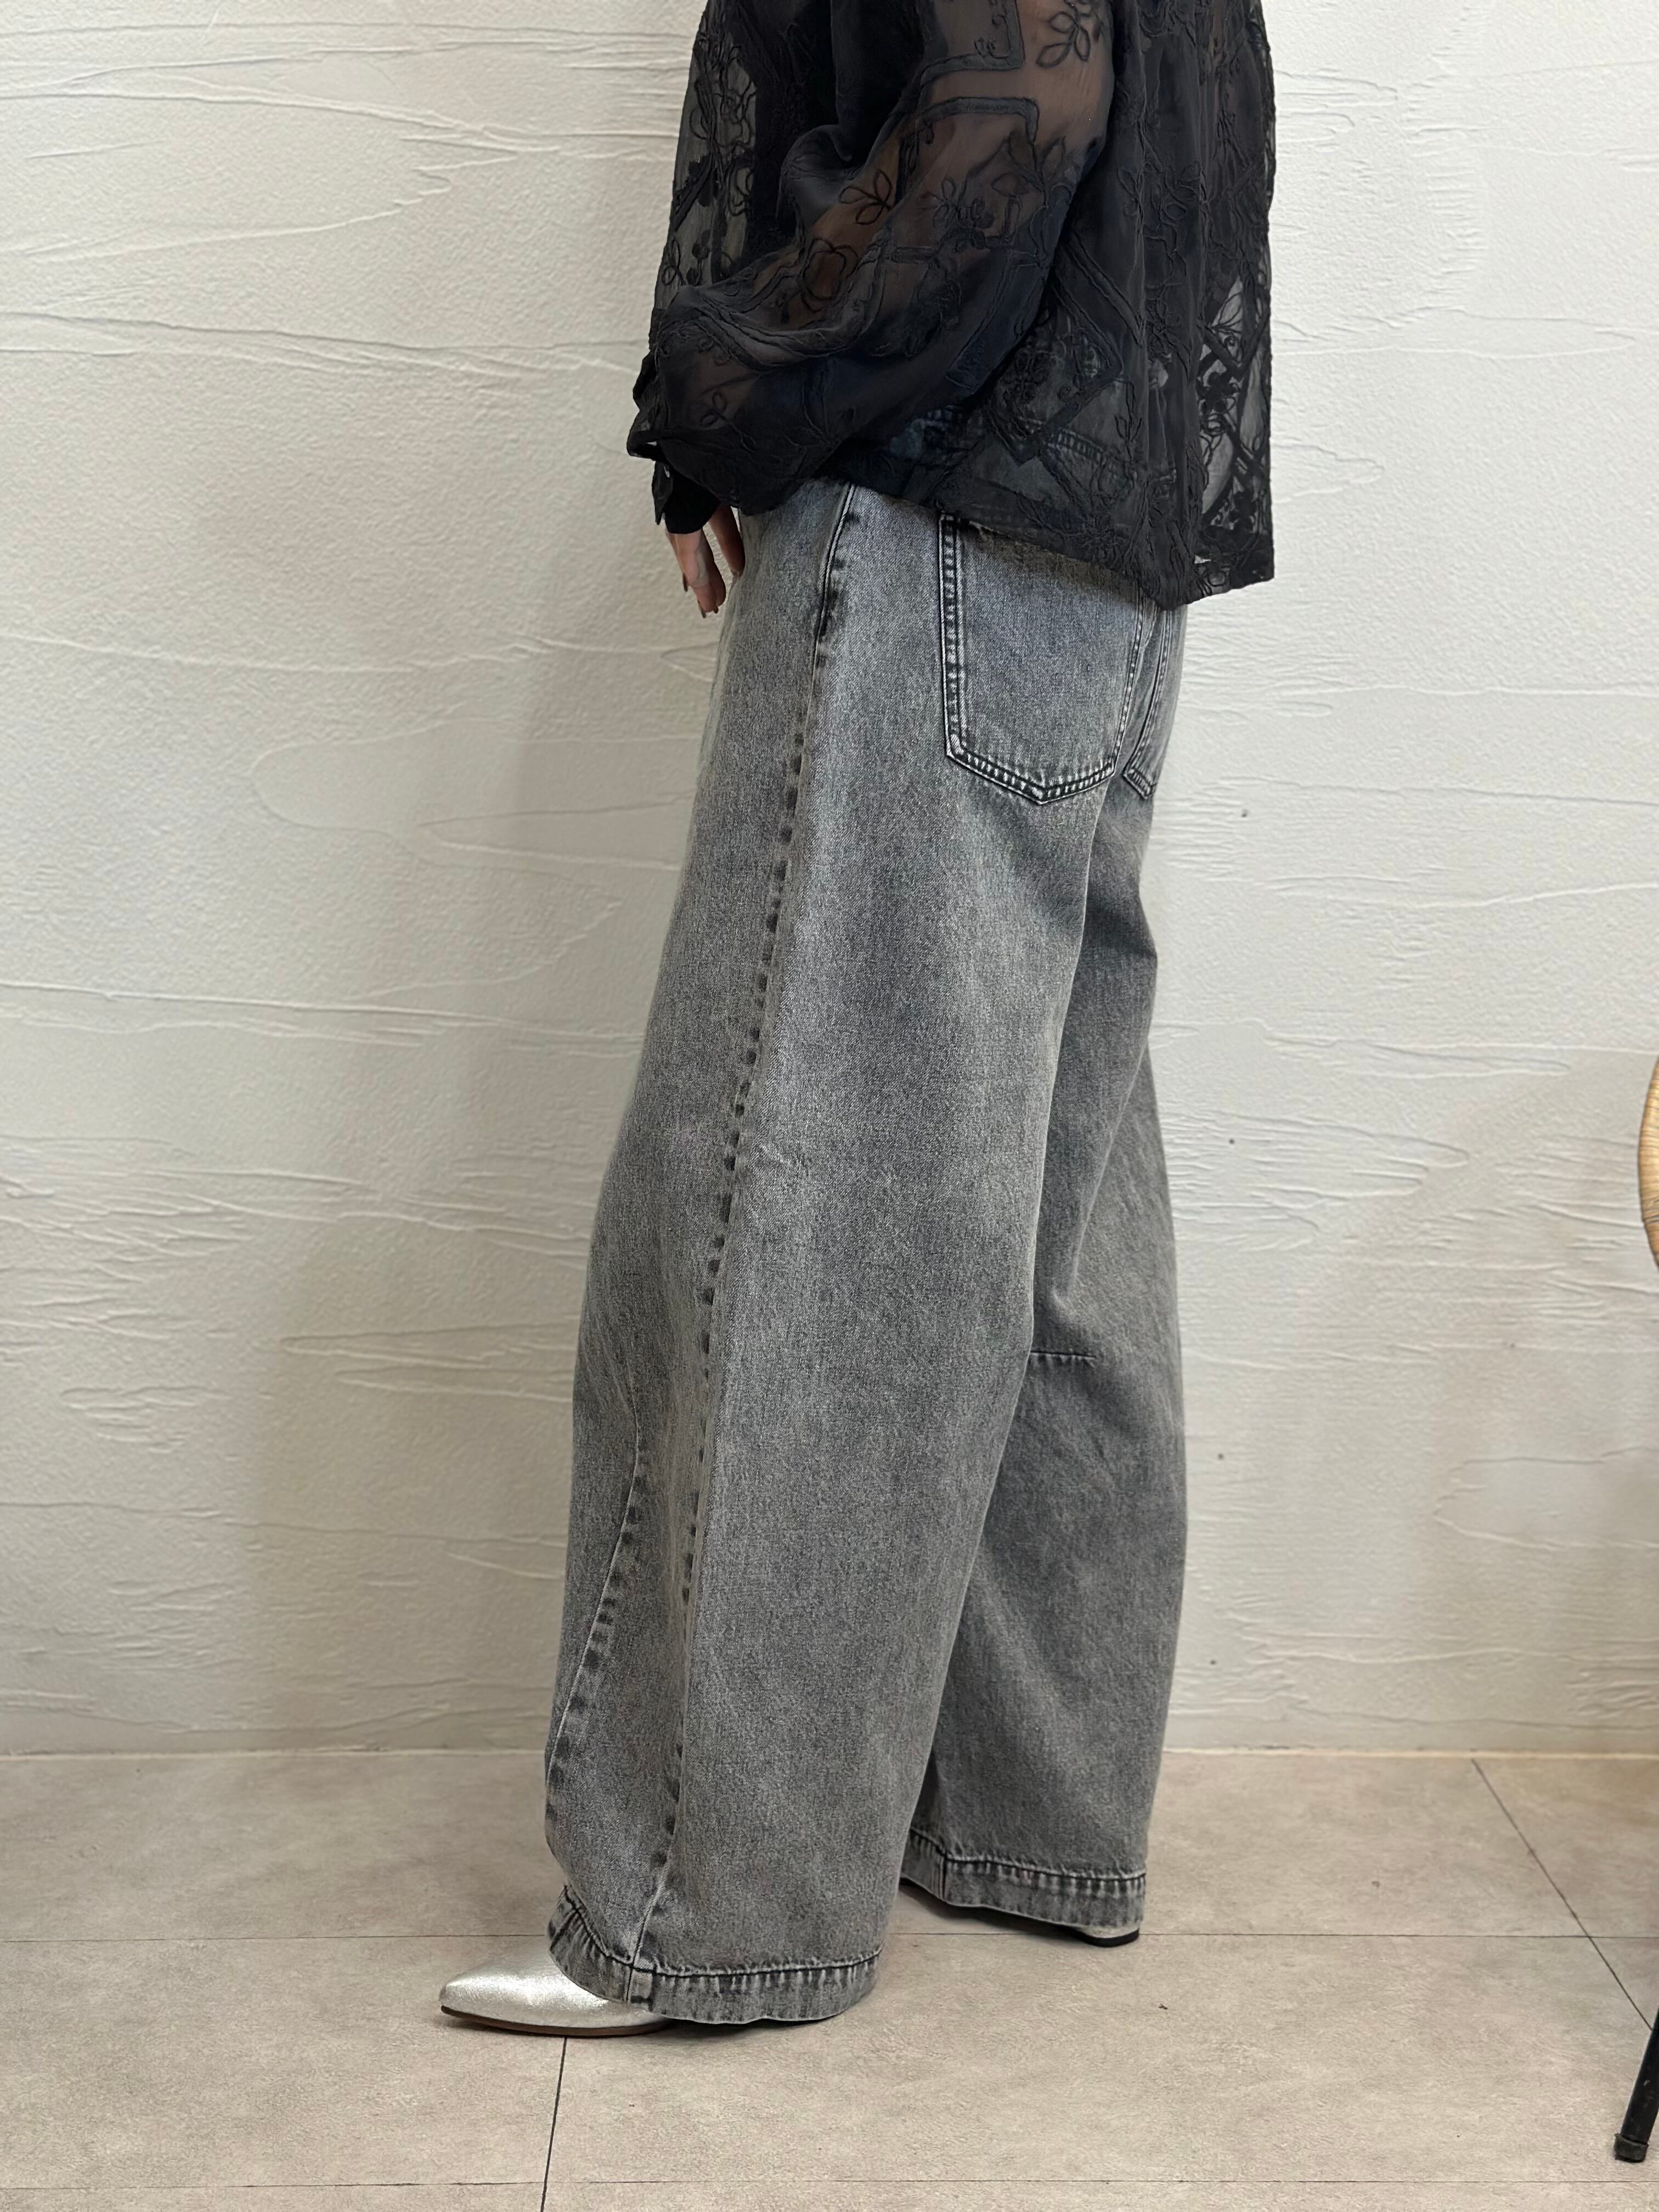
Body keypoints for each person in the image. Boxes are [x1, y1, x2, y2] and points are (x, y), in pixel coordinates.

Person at [441, 0, 1274, 2036]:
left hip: (930, 536)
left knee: (783, 1216)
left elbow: (1021, 104)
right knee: (1045, 1223)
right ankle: (1031, 1818)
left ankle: (709, 1903)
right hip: (1101, 550)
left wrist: (729, 392)